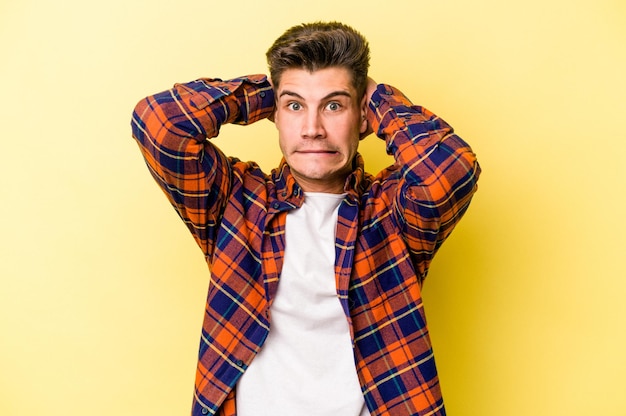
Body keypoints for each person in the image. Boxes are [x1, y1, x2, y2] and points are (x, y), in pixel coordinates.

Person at [131, 21, 480, 416]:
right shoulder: (235, 202)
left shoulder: (392, 214)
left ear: (363, 118)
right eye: (295, 106)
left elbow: (451, 169)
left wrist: (380, 99)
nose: (312, 129)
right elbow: (158, 125)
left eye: (334, 105)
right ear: (275, 116)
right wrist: (267, 94)